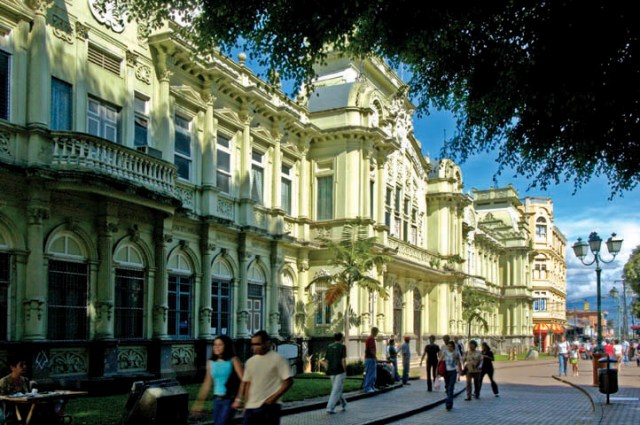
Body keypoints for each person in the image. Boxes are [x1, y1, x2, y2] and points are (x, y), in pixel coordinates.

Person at [234, 330, 293, 425]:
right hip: (251, 407)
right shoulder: (250, 362)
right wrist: (245, 405)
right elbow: (248, 384)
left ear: (267, 343)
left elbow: (288, 381)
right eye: (252, 344)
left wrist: (272, 399)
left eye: (258, 344)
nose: (254, 347)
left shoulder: (279, 359)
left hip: (269, 407)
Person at [192, 335, 244, 425]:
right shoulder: (211, 362)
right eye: (215, 345)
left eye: (220, 345)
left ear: (226, 346)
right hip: (217, 400)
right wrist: (199, 403)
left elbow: (243, 380)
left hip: (229, 399)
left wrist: (238, 399)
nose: (216, 347)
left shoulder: (233, 360)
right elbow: (207, 384)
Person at [325, 332, 348, 414]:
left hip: (331, 371)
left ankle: (344, 404)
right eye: (343, 337)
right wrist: (345, 370)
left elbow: (327, 360)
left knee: (336, 389)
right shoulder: (342, 347)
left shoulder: (329, 346)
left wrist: (327, 369)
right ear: (341, 338)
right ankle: (330, 407)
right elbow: (343, 360)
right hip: (340, 371)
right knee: (336, 390)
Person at [439, 340, 462, 411]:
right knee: (447, 387)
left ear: (453, 347)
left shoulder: (456, 353)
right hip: (446, 372)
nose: (449, 348)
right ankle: (449, 400)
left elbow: (458, 362)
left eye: (451, 346)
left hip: (453, 372)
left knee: (451, 387)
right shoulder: (445, 352)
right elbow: (440, 361)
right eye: (448, 346)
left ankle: (448, 403)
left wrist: (460, 372)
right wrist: (438, 371)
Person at [363, 327, 379, 393]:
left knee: (372, 373)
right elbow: (371, 349)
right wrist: (375, 357)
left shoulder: (369, 338)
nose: (377, 333)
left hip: (369, 358)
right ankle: (368, 387)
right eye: (377, 332)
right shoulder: (371, 339)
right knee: (370, 373)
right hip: (370, 358)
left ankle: (371, 386)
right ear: (374, 332)